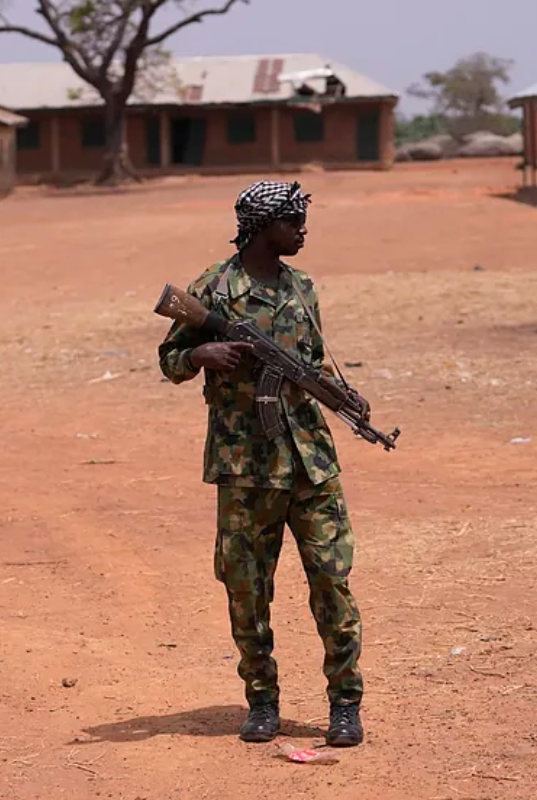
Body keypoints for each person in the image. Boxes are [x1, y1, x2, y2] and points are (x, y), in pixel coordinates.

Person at [158, 180, 367, 747]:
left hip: (311, 463)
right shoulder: (215, 289)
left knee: (332, 580)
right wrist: (203, 353)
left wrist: (345, 399)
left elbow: (313, 364)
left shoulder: (302, 288)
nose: (303, 230)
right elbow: (170, 360)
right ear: (263, 226)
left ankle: (345, 704)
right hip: (245, 466)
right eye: (293, 220)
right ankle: (262, 701)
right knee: (247, 587)